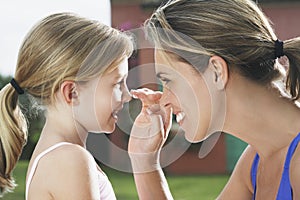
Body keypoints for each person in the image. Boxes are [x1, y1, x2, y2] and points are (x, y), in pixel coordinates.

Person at [128, 0, 300, 199]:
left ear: (216, 72)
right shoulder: (256, 160)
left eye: (169, 81)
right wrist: (144, 161)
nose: (163, 100)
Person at [0, 12, 133, 199]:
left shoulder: (59, 155)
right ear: (71, 92)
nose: (127, 95)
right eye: (117, 83)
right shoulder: (70, 159)